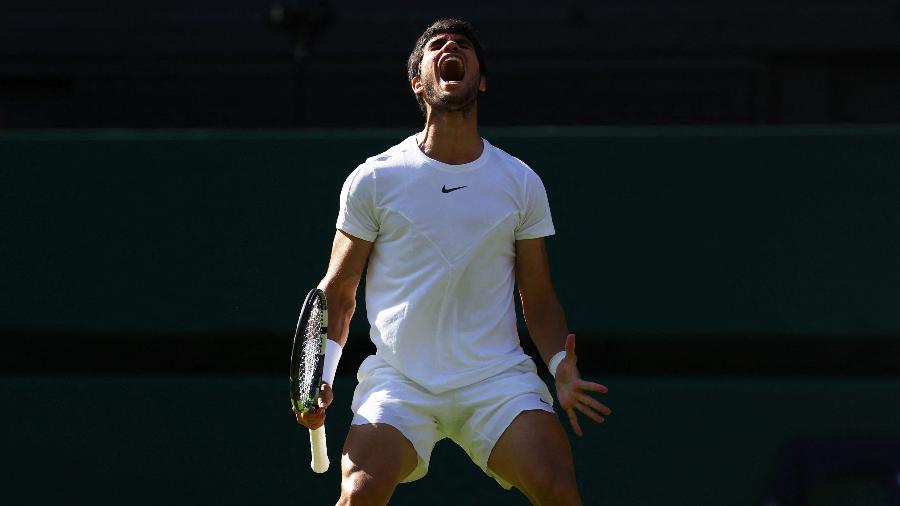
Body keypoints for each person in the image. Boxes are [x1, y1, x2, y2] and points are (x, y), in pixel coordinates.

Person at [294, 18, 611, 505]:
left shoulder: (520, 182)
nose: (451, 47)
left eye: (463, 44)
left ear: (480, 79)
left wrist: (559, 365)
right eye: (436, 45)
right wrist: (323, 375)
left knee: (559, 488)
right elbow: (338, 291)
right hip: (401, 380)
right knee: (358, 491)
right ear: (418, 83)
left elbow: (540, 297)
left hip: (496, 379)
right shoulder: (373, 180)